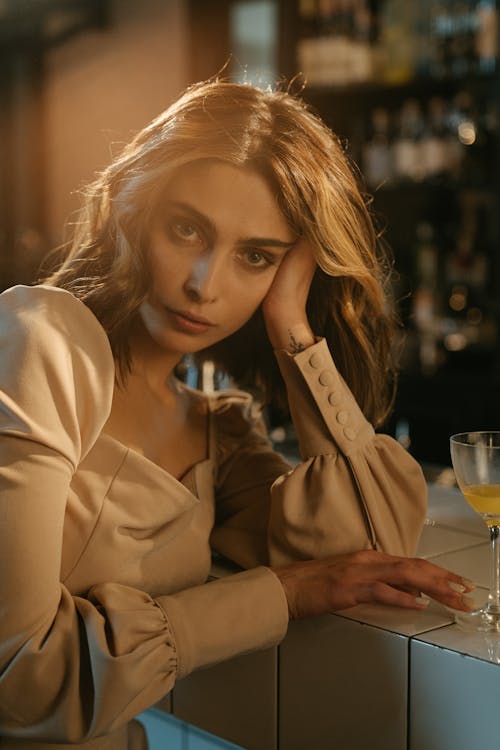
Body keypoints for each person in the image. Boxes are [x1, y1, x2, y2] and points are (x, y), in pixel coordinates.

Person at [0, 80, 473, 750]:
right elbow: (22, 684)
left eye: (256, 256)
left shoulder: (217, 430)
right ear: (131, 207)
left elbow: (368, 554)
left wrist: (291, 328)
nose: (205, 282)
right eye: (186, 229)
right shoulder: (42, 339)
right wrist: (280, 595)